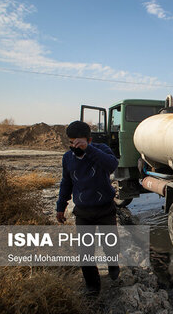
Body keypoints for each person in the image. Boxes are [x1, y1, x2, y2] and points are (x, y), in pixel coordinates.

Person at [56, 120, 120, 295]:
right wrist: (61, 206)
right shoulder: (67, 158)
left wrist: (88, 149)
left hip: (105, 208)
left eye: (79, 143)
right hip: (83, 211)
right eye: (71, 143)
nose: (74, 146)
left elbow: (112, 165)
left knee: (111, 245)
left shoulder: (101, 150)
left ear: (89, 140)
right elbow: (66, 182)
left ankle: (113, 266)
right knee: (85, 252)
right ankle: (92, 286)